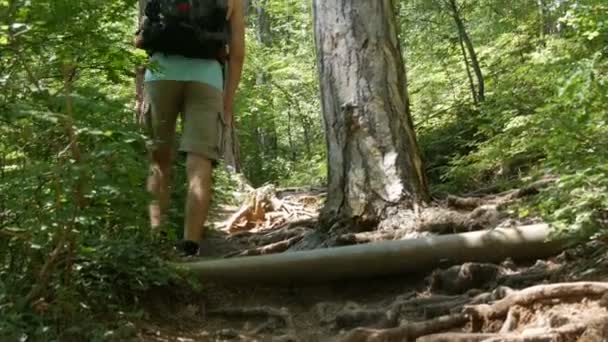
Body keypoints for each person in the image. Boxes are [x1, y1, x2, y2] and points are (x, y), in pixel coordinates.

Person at [134, 0, 246, 256]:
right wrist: (227, 102)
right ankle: (190, 246)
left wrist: (139, 92)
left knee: (158, 161)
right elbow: (237, 53)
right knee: (200, 161)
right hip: (207, 78)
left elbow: (142, 39)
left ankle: (157, 240)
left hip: (160, 74)